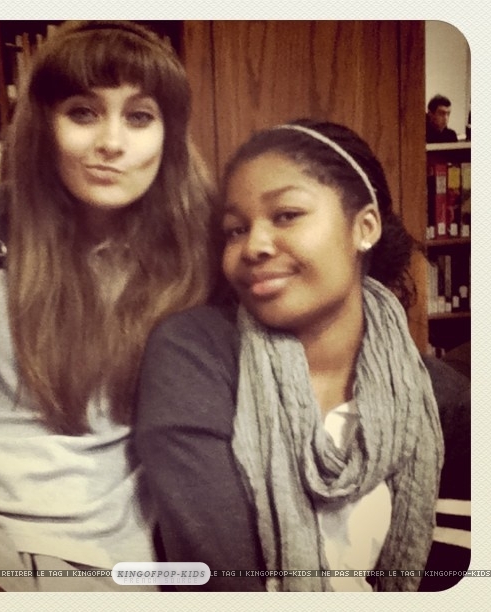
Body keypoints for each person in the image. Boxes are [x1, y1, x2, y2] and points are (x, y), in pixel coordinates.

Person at [0, 20, 216, 592]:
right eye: (83, 113)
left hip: (110, 555)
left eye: (139, 117)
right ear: (46, 125)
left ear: (169, 135)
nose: (112, 143)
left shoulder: (201, 263)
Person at [135, 119, 470, 591]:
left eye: (287, 215)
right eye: (235, 229)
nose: (254, 246)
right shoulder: (196, 355)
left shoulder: (443, 401)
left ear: (365, 227)